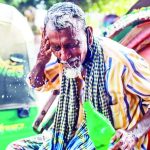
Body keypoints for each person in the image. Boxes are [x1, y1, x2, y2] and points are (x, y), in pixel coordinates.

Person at [7, 2, 150, 150]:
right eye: (57, 47)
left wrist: (132, 135)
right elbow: (37, 84)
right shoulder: (60, 60)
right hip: (70, 138)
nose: (64, 56)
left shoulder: (121, 62)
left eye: (72, 45)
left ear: (88, 35)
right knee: (15, 147)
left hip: (112, 144)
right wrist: (40, 63)